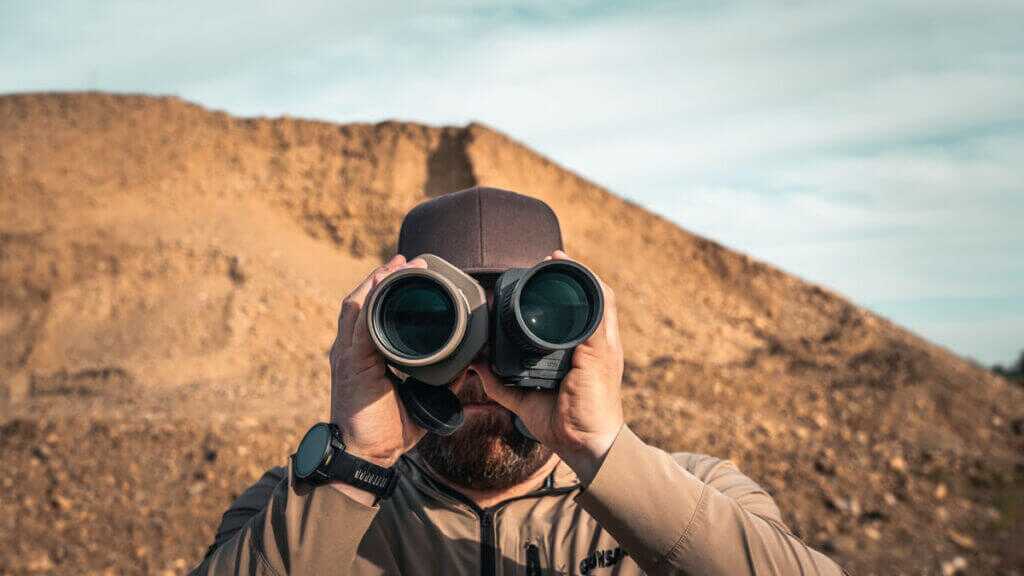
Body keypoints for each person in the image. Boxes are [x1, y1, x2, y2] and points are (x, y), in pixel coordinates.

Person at [191, 187, 845, 575]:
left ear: (585, 328)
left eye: (518, 324)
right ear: (379, 335)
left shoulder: (695, 492)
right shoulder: (308, 508)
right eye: (432, 324)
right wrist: (358, 465)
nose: (477, 373)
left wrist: (603, 453)